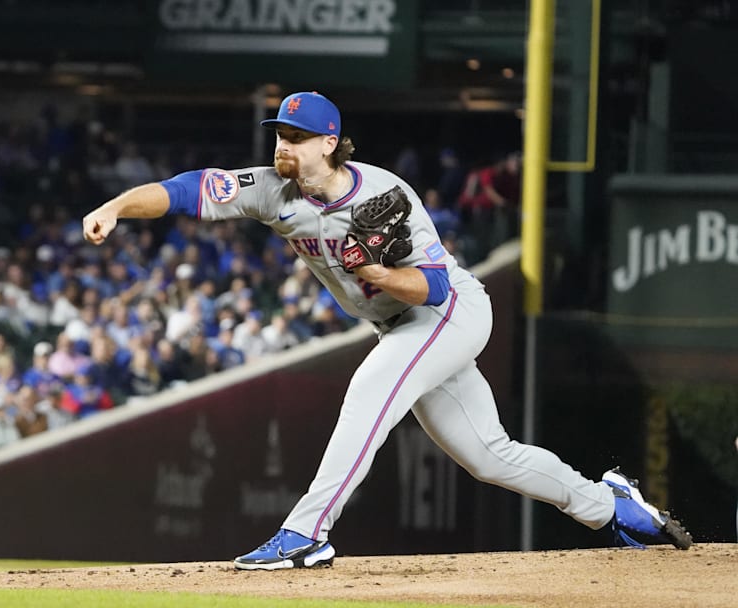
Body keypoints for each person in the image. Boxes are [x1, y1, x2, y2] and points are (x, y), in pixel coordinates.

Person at [82, 91, 693, 570]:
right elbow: (186, 189)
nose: (282, 146)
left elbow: (433, 287)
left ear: (329, 143)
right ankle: (610, 506)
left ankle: (306, 533)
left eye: (295, 137)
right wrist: (115, 208)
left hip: (447, 314)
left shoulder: (385, 192)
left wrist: (372, 268)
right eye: (279, 135)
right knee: (490, 457)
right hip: (397, 327)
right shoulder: (271, 191)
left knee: (370, 391)